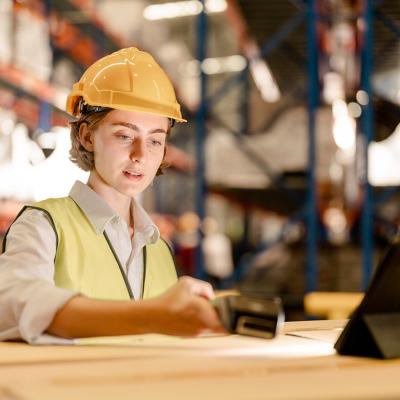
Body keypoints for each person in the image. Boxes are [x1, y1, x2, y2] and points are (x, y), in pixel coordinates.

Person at [0, 47, 224, 343]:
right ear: (87, 136)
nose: (140, 155)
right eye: (125, 135)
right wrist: (155, 316)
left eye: (155, 141)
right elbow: (13, 305)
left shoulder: (159, 249)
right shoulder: (43, 225)